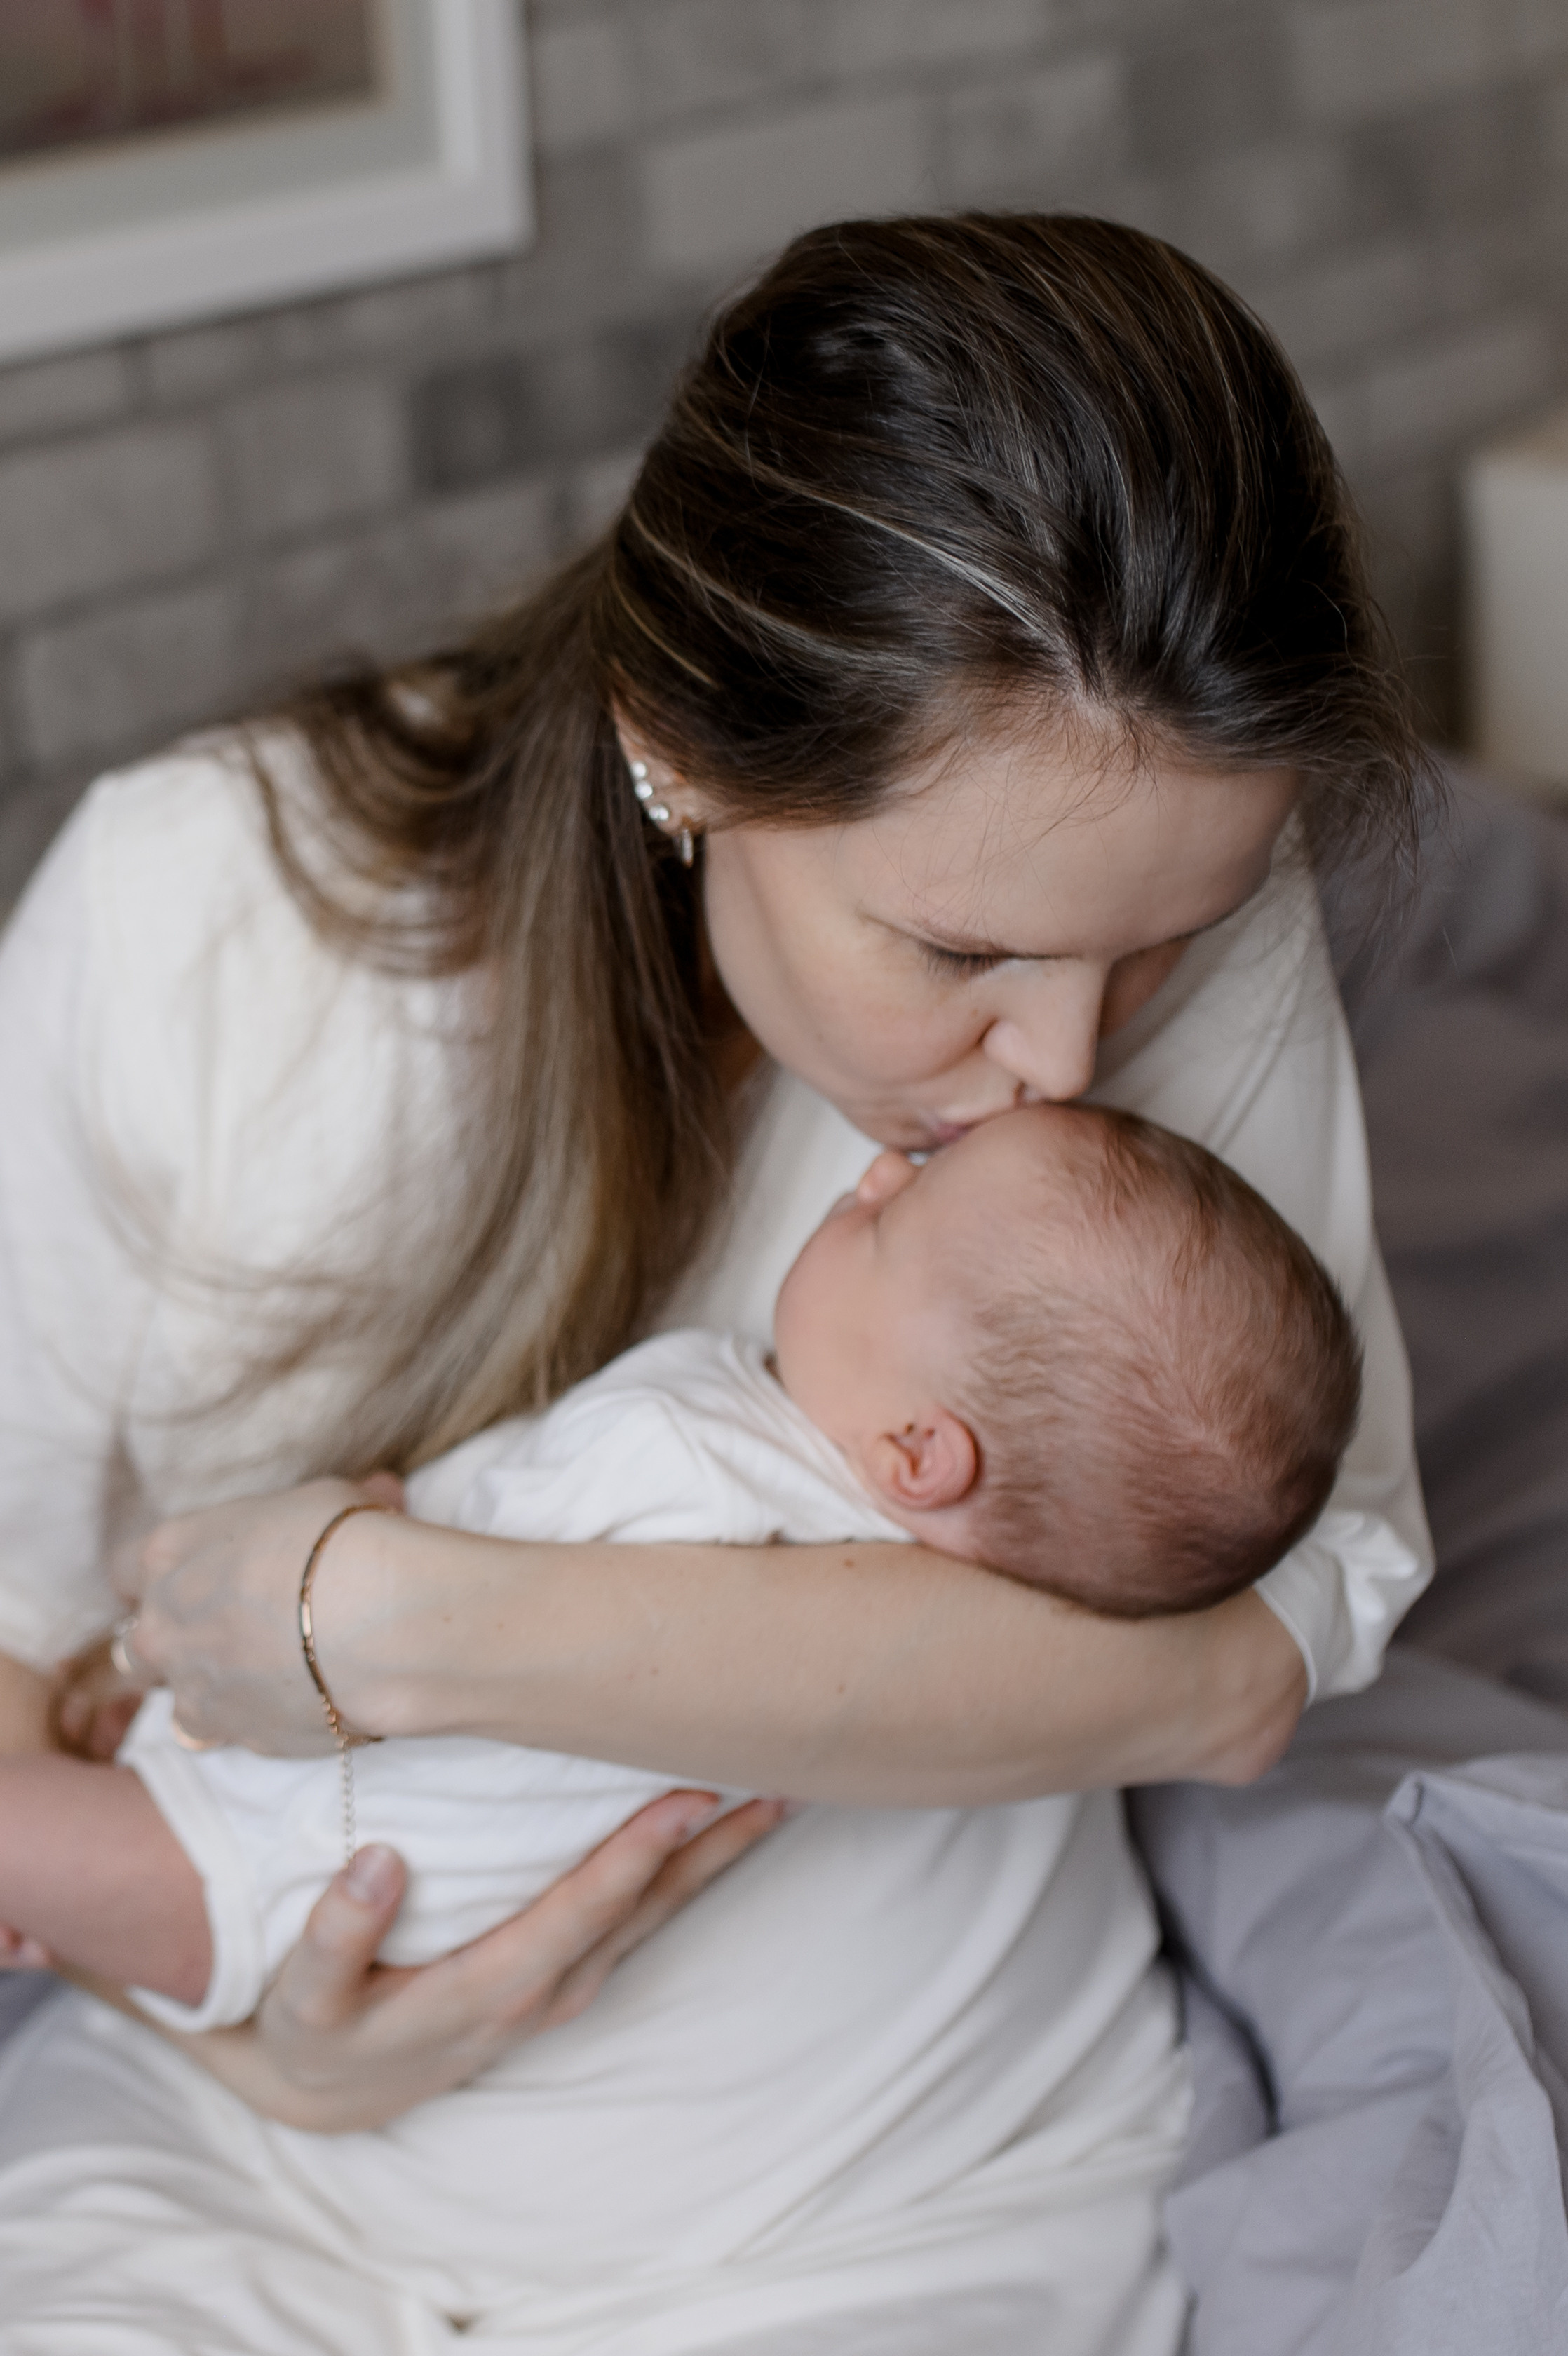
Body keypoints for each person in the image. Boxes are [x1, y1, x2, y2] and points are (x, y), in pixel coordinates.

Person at [0, 214, 1433, 2352]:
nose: (1064, 1061)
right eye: (955, 955)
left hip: (916, 2196)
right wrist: (260, 2055)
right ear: (680, 742)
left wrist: (396, 1623)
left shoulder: (1161, 867)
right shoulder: (205, 929)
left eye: (1148, 950)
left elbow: (1251, 1661)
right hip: (257, 2183)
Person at [2, 1101, 1361, 2026]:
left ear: (915, 1454)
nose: (873, 1173)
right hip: (317, 1869)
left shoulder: (690, 1452)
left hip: (284, 1858)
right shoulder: (888, 1609)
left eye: (897, 1217)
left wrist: (363, 1525)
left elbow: (417, 1546)